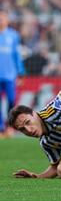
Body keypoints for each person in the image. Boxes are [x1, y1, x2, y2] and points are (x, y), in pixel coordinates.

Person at [0, 9, 24, 138]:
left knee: (11, 101)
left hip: (10, 75)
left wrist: (20, 73)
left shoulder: (13, 36)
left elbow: (17, 55)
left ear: (7, 20)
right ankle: (0, 129)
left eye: (3, 17)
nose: (1, 20)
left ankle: (10, 127)